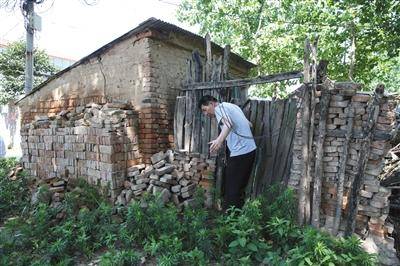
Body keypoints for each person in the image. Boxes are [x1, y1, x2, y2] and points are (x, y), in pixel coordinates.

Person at [198, 95, 256, 210]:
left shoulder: (219, 108)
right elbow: (249, 124)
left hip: (240, 153)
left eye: (205, 110)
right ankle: (238, 218)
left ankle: (231, 220)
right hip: (250, 151)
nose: (206, 114)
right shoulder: (232, 106)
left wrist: (219, 141)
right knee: (239, 187)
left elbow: (228, 124)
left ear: (212, 103)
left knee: (232, 188)